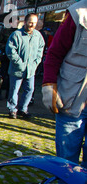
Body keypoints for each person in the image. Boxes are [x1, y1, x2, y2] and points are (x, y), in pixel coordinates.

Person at [42, 0, 87, 168]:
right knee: (67, 161)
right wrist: (48, 85)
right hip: (71, 98)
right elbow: (54, 53)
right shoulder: (78, 13)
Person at [5, 13, 45, 119]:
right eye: (30, 22)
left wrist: (36, 62)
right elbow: (10, 50)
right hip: (17, 69)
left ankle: (23, 109)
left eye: (35, 23)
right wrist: (19, 63)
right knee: (14, 90)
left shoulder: (38, 36)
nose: (32, 25)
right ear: (25, 22)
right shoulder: (16, 35)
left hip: (31, 69)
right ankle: (12, 109)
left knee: (30, 89)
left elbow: (40, 49)